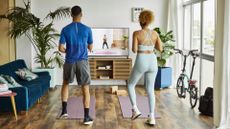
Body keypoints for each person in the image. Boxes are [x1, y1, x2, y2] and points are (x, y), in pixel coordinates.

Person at [58, 5, 93, 125]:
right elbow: (90, 47)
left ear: (71, 15)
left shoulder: (65, 29)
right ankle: (86, 117)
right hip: (82, 61)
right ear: (81, 14)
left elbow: (60, 48)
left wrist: (69, 51)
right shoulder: (87, 29)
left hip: (69, 61)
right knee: (85, 88)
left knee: (65, 84)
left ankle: (64, 112)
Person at [127, 10, 162, 126]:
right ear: (150, 20)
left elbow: (134, 50)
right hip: (152, 60)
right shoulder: (155, 33)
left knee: (131, 84)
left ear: (140, 20)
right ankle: (152, 117)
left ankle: (135, 109)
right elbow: (160, 49)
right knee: (150, 89)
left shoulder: (137, 33)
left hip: (141, 60)